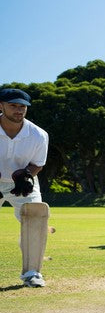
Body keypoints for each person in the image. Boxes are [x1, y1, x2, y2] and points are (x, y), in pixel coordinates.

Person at [0, 88, 50, 287]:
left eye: (23, 106)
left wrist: (26, 175)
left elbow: (38, 163)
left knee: (36, 217)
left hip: (23, 184)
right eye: (13, 105)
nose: (19, 110)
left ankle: (32, 273)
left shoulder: (38, 135)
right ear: (1, 106)